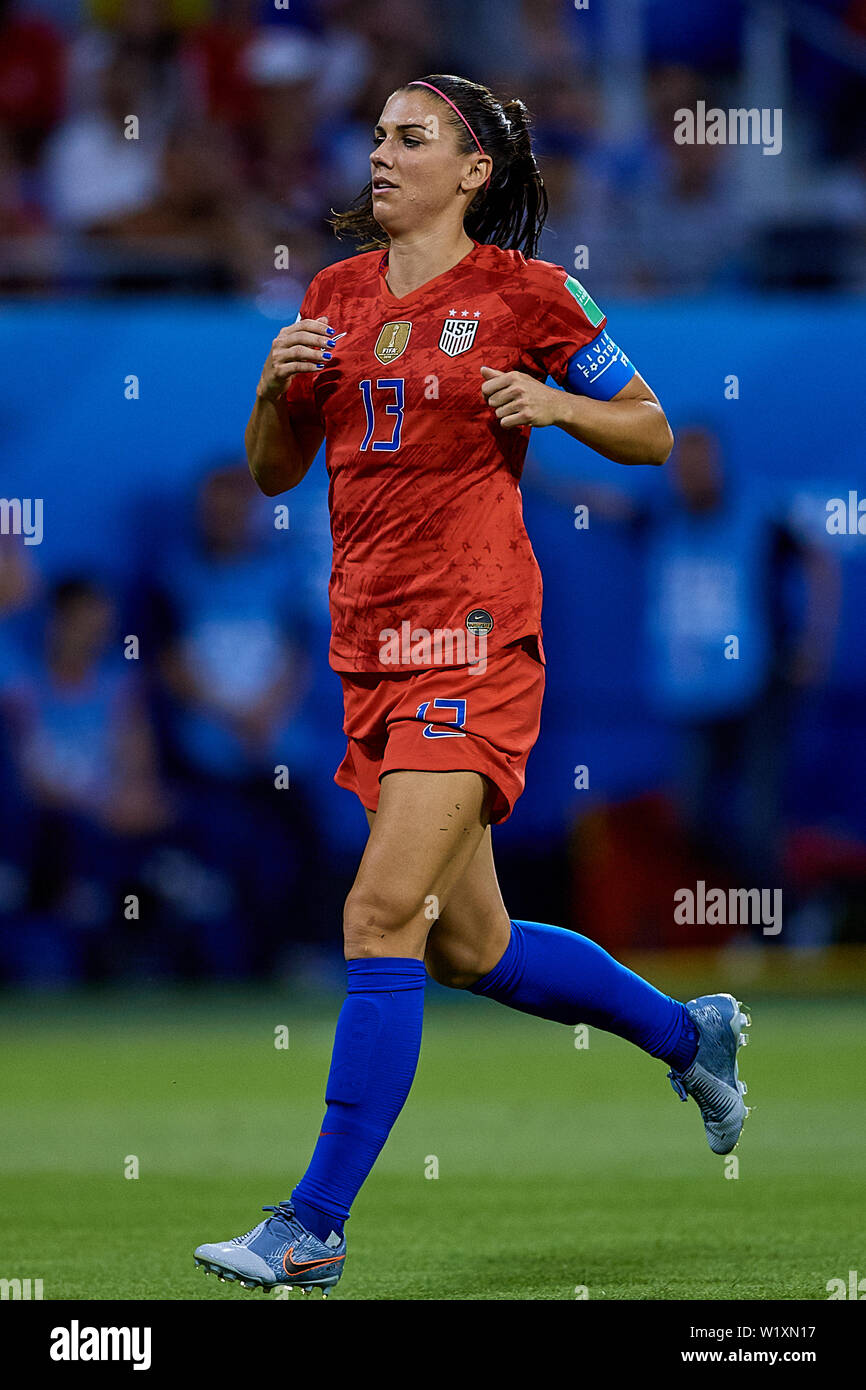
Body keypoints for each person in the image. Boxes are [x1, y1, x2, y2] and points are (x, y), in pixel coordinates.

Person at [194, 74, 751, 1298]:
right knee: (467, 949)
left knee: (378, 914)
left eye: (409, 137)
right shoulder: (334, 296)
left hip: (472, 645)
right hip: (370, 655)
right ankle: (686, 1034)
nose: (379, 154)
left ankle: (312, 1225)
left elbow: (651, 427)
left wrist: (551, 401)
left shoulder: (526, 296)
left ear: (472, 171)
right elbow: (276, 471)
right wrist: (272, 388)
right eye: (377, 134)